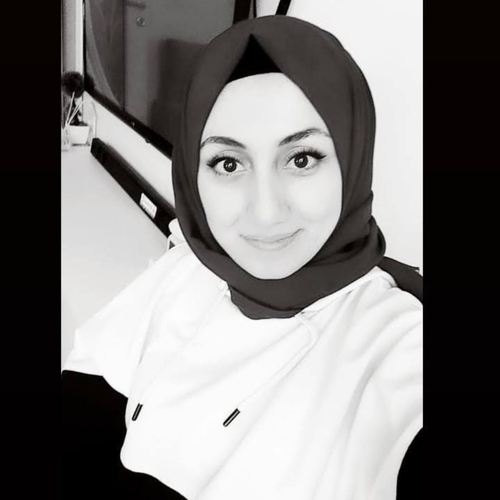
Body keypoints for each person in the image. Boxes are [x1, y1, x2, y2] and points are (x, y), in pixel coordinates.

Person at [62, 15, 422, 500]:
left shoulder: (398, 346)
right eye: (228, 163)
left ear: (353, 156)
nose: (266, 212)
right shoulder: (188, 268)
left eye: (301, 158)